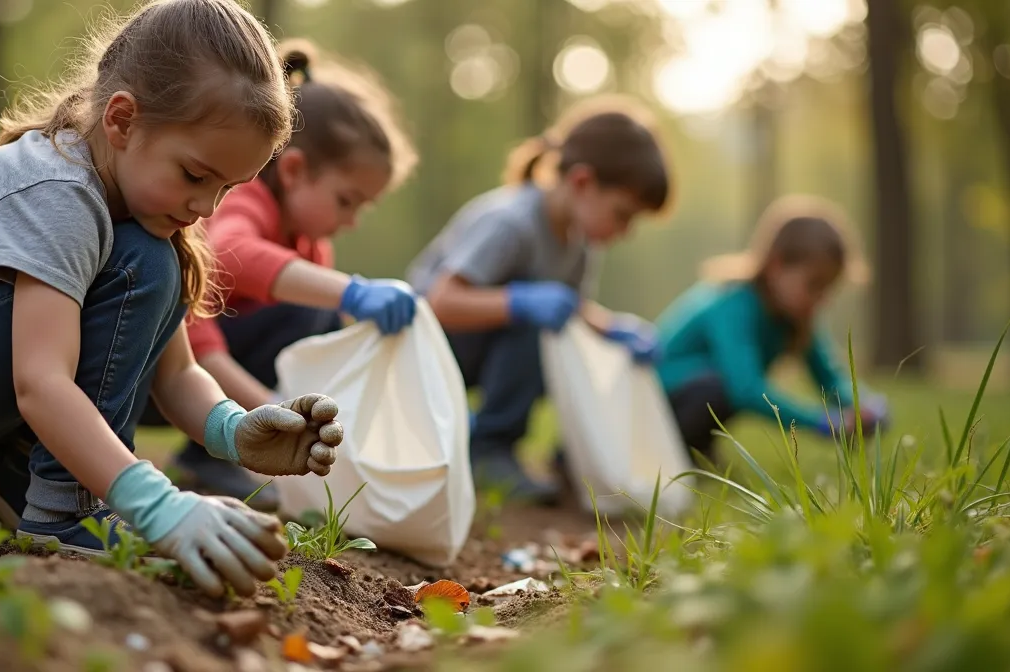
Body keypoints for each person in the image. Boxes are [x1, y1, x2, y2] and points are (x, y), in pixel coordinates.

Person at [0, 0, 342, 598]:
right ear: (121, 120)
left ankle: (14, 479)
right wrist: (157, 505)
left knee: (151, 259)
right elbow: (41, 381)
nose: (207, 208)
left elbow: (176, 375)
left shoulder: (141, 215)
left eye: (226, 188)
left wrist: (234, 432)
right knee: (144, 263)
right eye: (196, 175)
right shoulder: (60, 193)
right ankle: (66, 509)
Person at [149, 39, 419, 508]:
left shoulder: (312, 248)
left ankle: (231, 456)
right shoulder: (242, 200)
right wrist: (351, 293)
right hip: (163, 376)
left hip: (216, 383)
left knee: (321, 321)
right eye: (346, 200)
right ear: (294, 170)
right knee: (309, 309)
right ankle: (211, 460)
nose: (351, 220)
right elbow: (230, 253)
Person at [407, 97, 671, 504]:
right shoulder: (512, 222)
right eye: (622, 214)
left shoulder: (580, 243)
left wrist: (616, 329)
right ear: (582, 182)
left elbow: (572, 308)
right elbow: (441, 302)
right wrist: (520, 302)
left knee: (557, 327)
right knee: (536, 320)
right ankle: (489, 448)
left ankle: (521, 447)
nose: (625, 230)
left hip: (479, 348)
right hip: (425, 352)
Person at [655, 194, 888, 463]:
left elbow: (828, 378)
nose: (821, 300)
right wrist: (820, 422)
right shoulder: (733, 304)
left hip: (700, 392)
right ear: (776, 265)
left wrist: (862, 406)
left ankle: (694, 453)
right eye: (814, 285)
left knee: (717, 386)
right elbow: (745, 388)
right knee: (716, 387)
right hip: (659, 402)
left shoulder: (795, 316)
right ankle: (677, 454)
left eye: (828, 289)